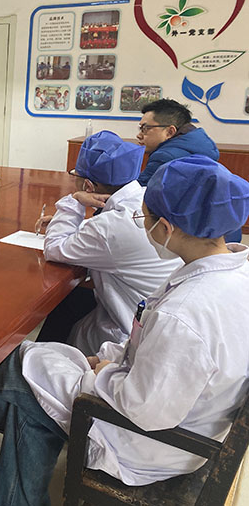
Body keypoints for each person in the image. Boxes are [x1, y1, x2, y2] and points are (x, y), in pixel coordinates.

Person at [0, 155, 249, 506]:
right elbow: (151, 348)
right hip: (195, 421)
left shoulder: (184, 315)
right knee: (39, 357)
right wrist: (108, 361)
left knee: (22, 377)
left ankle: (2, 457)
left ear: (165, 228)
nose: (143, 226)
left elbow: (145, 410)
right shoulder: (233, 274)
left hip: (152, 444)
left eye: (143, 218)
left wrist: (104, 373)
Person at [35, 131, 181, 355]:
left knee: (61, 319)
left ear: (88, 186)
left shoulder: (111, 227)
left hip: (128, 333)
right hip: (157, 314)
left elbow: (54, 248)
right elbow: (110, 233)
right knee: (69, 303)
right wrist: (66, 221)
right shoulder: (144, 197)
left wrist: (73, 202)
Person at [136, 98, 218, 187]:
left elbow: (138, 191)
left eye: (145, 128)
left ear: (170, 132)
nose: (139, 135)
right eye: (140, 128)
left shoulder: (164, 157)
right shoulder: (206, 148)